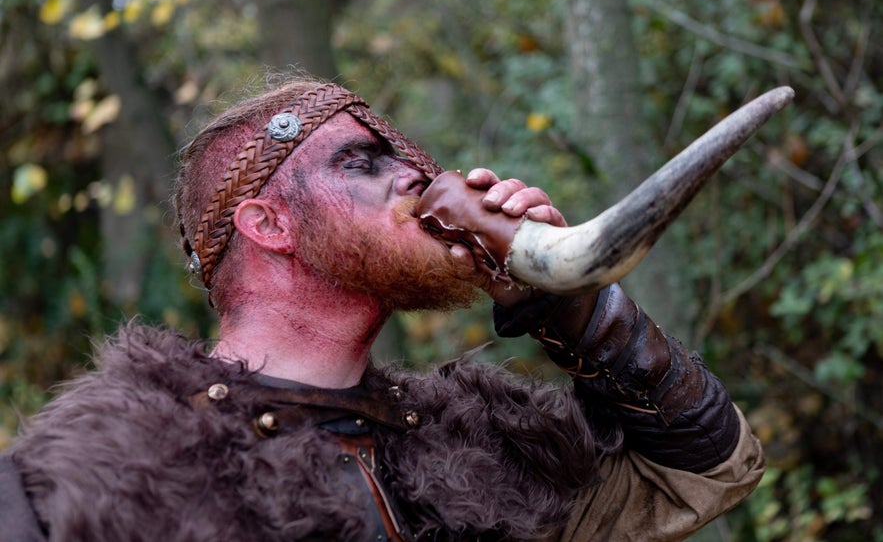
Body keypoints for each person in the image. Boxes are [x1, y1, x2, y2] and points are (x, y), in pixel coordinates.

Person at [0, 76, 764, 541]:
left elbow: (701, 471)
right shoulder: (107, 475)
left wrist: (570, 307)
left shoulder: (476, 455)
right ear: (269, 224)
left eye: (401, 155)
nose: (414, 177)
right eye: (362, 163)